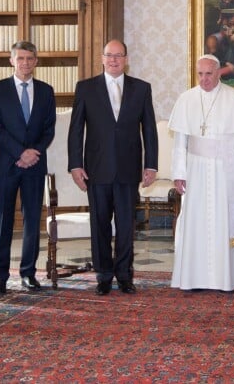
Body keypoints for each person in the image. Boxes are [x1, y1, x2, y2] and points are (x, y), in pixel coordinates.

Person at [67, 39, 158, 295]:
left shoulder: (141, 89)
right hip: (97, 169)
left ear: (126, 59)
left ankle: (125, 275)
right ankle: (104, 275)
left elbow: (149, 129)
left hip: (129, 169)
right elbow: (76, 130)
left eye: (119, 56)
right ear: (102, 58)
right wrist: (75, 165)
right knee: (100, 225)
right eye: (109, 55)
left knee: (127, 225)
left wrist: (150, 164)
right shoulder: (86, 88)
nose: (114, 60)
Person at [168, 54, 234, 291]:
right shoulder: (186, 99)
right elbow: (179, 143)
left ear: (218, 73)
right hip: (195, 170)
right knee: (195, 221)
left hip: (225, 170)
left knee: (223, 220)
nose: (204, 79)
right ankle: (193, 278)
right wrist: (179, 173)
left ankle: (226, 278)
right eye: (200, 74)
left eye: (209, 74)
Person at [0, 41, 56, 294]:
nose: (25, 63)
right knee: (2, 220)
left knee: (31, 221)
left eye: (30, 58)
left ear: (36, 62)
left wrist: (32, 154)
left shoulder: (47, 91)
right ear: (12, 61)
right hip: (6, 164)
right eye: (20, 58)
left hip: (35, 165)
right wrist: (20, 153)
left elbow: (49, 129)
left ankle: (28, 273)